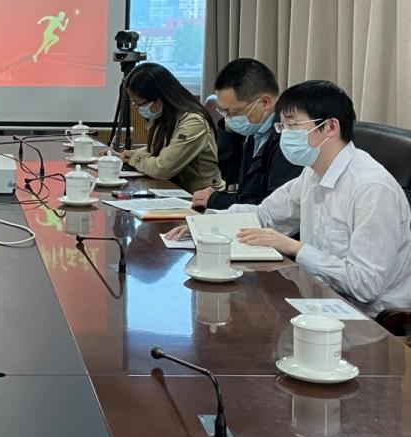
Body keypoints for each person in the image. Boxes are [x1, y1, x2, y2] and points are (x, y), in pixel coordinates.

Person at [170, 80, 411, 316]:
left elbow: (365, 284)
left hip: (369, 319)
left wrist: (294, 247)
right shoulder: (313, 173)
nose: (285, 135)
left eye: (293, 126)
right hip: (318, 297)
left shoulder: (372, 189)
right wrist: (205, 226)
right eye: (282, 126)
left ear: (330, 127)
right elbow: (264, 216)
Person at [192, 59, 301, 210]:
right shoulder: (256, 129)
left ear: (264, 103)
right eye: (223, 111)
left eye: (233, 112)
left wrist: (216, 200)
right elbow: (232, 178)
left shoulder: (289, 139)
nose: (228, 118)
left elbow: (273, 208)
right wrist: (229, 132)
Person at [117, 63, 225, 193]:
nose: (136, 107)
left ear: (158, 99)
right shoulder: (163, 116)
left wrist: (135, 158)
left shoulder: (193, 122)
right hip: (174, 189)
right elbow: (161, 150)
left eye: (138, 103)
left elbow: (161, 168)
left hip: (200, 196)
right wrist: (128, 155)